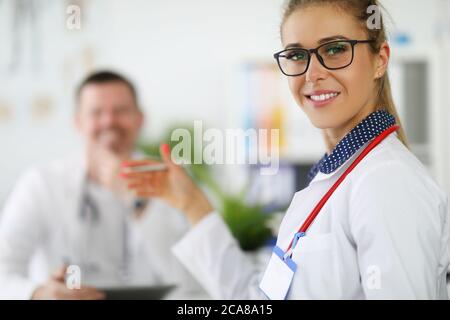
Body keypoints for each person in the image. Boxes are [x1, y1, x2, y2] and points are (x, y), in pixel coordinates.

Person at [122, 0, 450, 299]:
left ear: (380, 60)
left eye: (335, 49)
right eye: (296, 55)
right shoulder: (336, 178)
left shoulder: (385, 180)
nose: (313, 73)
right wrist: (191, 204)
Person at [0, 71, 205, 299]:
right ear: (78, 122)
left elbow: (191, 283)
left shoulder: (170, 183)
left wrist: (137, 200)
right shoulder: (41, 184)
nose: (109, 121)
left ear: (140, 120)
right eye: (96, 112)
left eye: (121, 111)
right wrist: (37, 293)